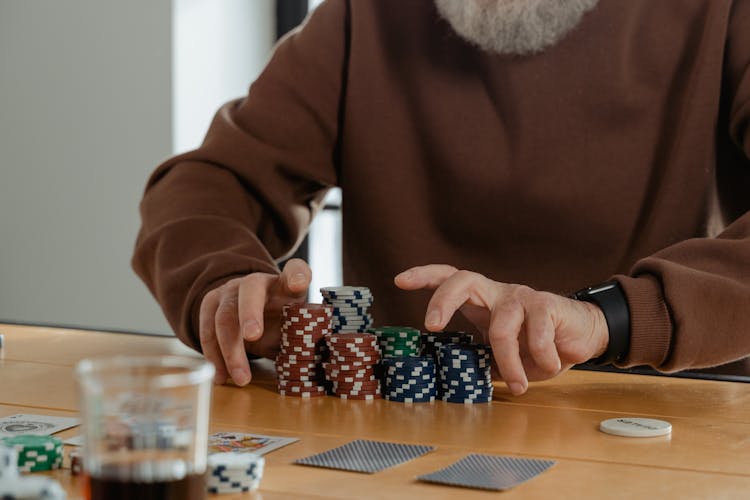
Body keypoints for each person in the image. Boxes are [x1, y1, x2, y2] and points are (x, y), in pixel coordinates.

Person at [132, 0, 750, 395]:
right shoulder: (362, 18)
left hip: (670, 419)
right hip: (405, 431)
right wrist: (226, 284)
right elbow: (207, 185)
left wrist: (607, 318)